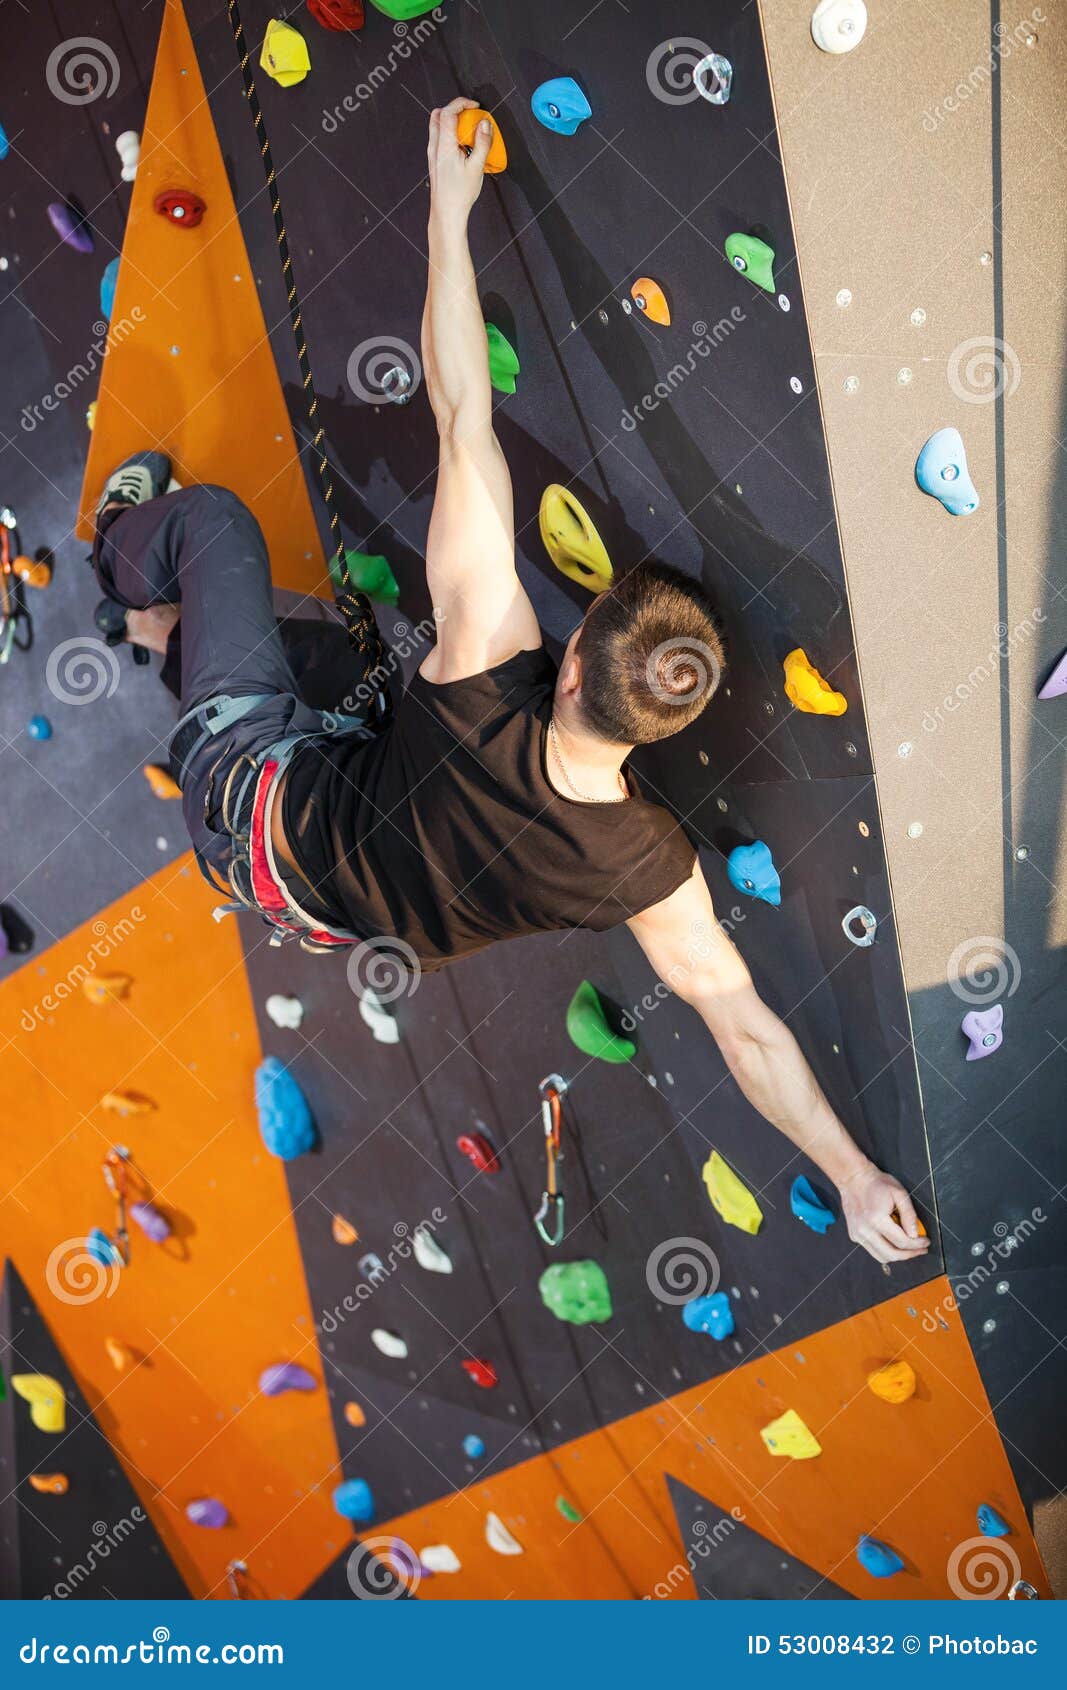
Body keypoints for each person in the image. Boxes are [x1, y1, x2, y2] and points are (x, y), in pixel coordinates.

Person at [90, 100, 929, 1269]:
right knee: (336, 672)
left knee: (215, 528)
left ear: (574, 653)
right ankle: (168, 635)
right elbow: (741, 1026)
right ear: (660, 726)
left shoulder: (488, 647)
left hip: (251, 786)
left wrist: (445, 196)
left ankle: (121, 549)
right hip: (305, 899)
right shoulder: (645, 863)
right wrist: (850, 1175)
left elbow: (458, 408)